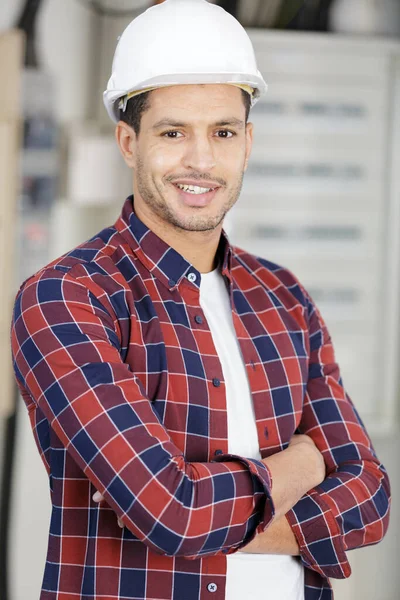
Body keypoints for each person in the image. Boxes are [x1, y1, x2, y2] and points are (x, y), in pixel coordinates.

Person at [10, 1, 390, 599]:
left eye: (222, 131)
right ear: (128, 142)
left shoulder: (282, 295)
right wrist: (306, 463)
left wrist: (214, 518)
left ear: (248, 140)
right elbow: (171, 514)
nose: (201, 161)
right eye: (172, 132)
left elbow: (370, 501)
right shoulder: (67, 298)